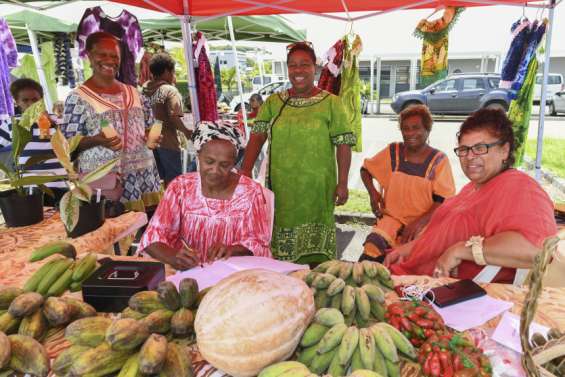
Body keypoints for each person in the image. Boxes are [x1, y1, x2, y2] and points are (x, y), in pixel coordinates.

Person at [384, 108, 557, 284]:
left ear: (504, 150)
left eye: (480, 148)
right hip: (407, 269)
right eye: (464, 149)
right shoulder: (474, 186)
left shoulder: (521, 188)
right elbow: (441, 233)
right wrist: (406, 250)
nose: (469, 157)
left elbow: (536, 250)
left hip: (432, 290)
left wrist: (461, 251)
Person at [240, 41, 355, 265]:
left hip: (318, 188)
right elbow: (258, 135)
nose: (298, 70)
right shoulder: (274, 102)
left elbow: (343, 143)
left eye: (304, 64)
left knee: (318, 261)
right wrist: (245, 169)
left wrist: (342, 182)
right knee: (284, 259)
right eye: (292, 65)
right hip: (283, 189)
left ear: (315, 67)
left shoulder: (332, 103)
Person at [138, 121, 272, 270]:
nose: (215, 170)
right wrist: (174, 257)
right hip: (188, 273)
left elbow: (259, 243)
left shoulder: (250, 192)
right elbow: (152, 238)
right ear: (198, 156)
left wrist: (233, 250)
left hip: (234, 274)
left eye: (224, 165)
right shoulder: (180, 188)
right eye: (209, 162)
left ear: (234, 163)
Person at [61, 32, 161, 212]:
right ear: (89, 57)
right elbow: (66, 145)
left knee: (147, 232)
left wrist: (150, 136)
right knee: (112, 233)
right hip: (106, 183)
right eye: (102, 54)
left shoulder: (135, 93)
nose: (109, 60)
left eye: (115, 56)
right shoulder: (78, 98)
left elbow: (150, 126)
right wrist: (96, 140)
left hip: (144, 179)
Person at [359, 104, 455, 262]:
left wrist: (417, 223)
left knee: (412, 259)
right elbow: (365, 170)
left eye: (416, 128)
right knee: (372, 248)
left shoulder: (439, 161)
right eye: (405, 128)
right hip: (392, 219)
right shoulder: (393, 152)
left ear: (427, 129)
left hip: (424, 223)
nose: (410, 133)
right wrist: (373, 194)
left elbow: (443, 200)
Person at [0, 78, 67, 206]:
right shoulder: (11, 124)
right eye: (25, 100)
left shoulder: (56, 121)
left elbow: (71, 145)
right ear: (17, 102)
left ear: (41, 100)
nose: (31, 104)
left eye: (35, 100)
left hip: (59, 184)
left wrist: (52, 124)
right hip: (30, 190)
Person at [142, 53, 192, 187]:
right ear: (166, 71)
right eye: (172, 71)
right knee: (174, 181)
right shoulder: (169, 90)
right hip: (168, 142)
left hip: (149, 142)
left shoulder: (144, 89)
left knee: (158, 181)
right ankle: (173, 207)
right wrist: (187, 132)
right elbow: (174, 115)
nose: (173, 75)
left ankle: (164, 205)